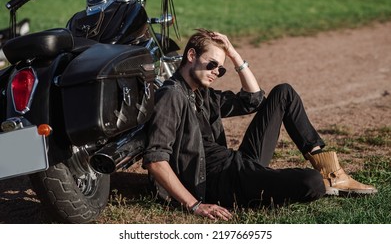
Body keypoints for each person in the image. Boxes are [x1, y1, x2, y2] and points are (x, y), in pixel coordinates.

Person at [142, 29, 377, 220]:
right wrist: (195, 206)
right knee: (312, 183)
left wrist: (233, 54)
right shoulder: (171, 96)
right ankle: (316, 179)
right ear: (191, 56)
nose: (215, 72)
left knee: (284, 93)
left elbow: (252, 100)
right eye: (211, 64)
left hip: (237, 163)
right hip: (219, 182)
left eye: (220, 69)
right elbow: (156, 161)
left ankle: (331, 172)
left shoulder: (202, 92)